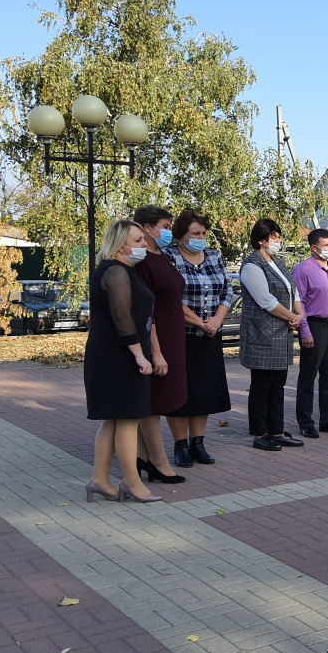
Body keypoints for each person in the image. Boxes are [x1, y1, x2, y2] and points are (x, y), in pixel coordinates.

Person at [83, 220, 161, 504]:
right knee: (127, 419)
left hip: (114, 354)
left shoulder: (125, 270)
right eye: (138, 240)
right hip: (118, 355)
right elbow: (122, 317)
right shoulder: (115, 271)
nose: (144, 245)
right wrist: (140, 355)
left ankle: (100, 480)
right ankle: (132, 483)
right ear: (120, 244)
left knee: (114, 420)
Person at [163, 209, 233, 466]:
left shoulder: (214, 255)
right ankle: (180, 445)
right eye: (195, 233)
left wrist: (216, 320)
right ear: (181, 235)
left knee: (204, 392)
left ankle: (198, 443)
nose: (201, 237)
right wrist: (199, 322)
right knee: (181, 392)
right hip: (181, 336)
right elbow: (169, 298)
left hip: (210, 335)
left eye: (203, 233)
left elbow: (227, 290)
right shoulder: (168, 257)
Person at [239, 218, 306, 451]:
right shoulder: (252, 265)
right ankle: (260, 434)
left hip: (281, 333)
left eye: (278, 236)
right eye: (274, 237)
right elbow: (266, 300)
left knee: (278, 385)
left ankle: (276, 431)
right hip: (262, 334)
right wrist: (292, 317)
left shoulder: (278, 261)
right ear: (260, 240)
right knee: (262, 385)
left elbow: (293, 290)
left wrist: (299, 314)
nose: (278, 241)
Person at [131, 205, 186, 485]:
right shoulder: (142, 263)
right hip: (156, 338)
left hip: (173, 335)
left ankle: (144, 457)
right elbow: (145, 310)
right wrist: (156, 351)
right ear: (148, 228)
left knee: (159, 399)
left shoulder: (163, 256)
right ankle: (159, 461)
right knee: (153, 402)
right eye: (165, 226)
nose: (168, 231)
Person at [292, 228, 328, 438]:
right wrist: (304, 331)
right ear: (314, 248)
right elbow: (299, 303)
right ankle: (305, 422)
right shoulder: (302, 270)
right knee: (308, 377)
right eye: (326, 245)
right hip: (314, 326)